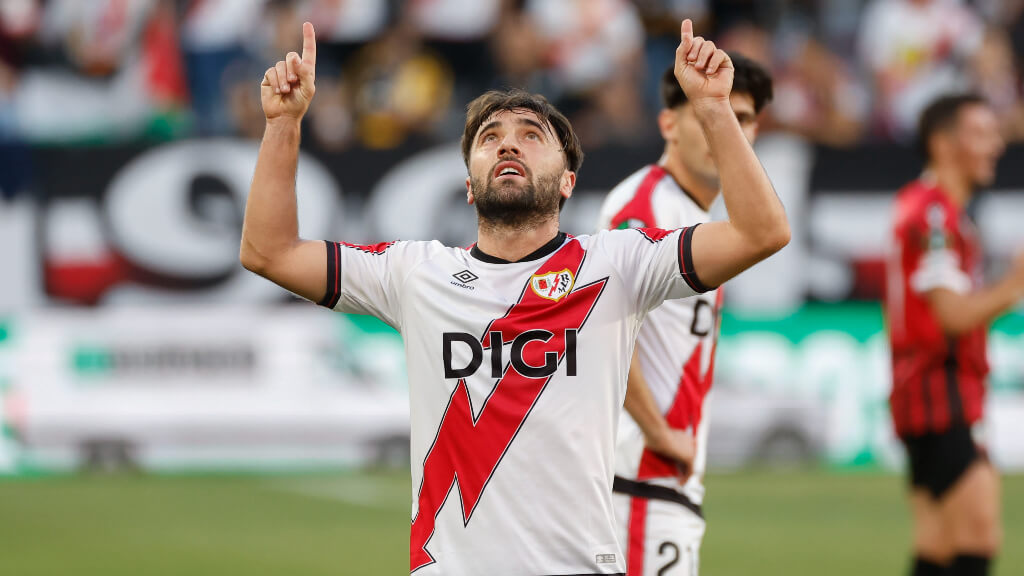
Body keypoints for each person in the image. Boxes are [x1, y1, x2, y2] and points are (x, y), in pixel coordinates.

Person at [240, 20, 789, 576]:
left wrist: (715, 109)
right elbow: (268, 252)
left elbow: (761, 233)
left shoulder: (618, 264)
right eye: (489, 138)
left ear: (568, 181)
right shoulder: (416, 275)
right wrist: (283, 124)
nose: (507, 143)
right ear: (469, 185)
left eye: (531, 135)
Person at [596, 55, 773, 576]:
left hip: (659, 484)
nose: (724, 129)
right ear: (669, 124)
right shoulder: (646, 208)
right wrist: (658, 431)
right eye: (708, 114)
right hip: (637, 477)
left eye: (740, 119)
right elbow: (599, 329)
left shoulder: (695, 217)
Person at [886, 93, 1024, 576]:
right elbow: (952, 315)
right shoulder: (935, 214)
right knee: (977, 536)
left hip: (928, 390)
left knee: (939, 544)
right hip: (938, 392)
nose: (996, 145)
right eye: (981, 134)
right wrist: (1016, 283)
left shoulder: (933, 210)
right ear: (943, 145)